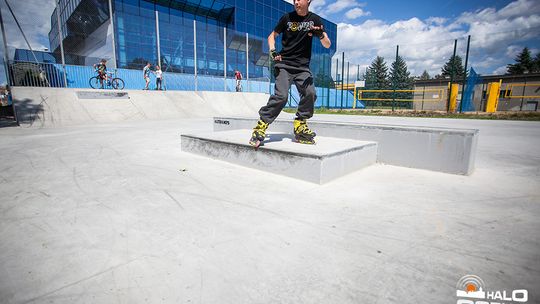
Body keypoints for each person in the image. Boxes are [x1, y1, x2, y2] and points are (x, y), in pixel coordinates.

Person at [249, 0, 331, 147]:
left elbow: (327, 44)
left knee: (310, 93)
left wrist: (320, 35)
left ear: (308, 1)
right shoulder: (287, 18)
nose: (296, 2)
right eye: (294, 0)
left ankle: (300, 124)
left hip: (302, 68)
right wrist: (273, 51)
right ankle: (261, 125)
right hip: (284, 64)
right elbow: (271, 36)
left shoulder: (315, 19)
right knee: (281, 96)